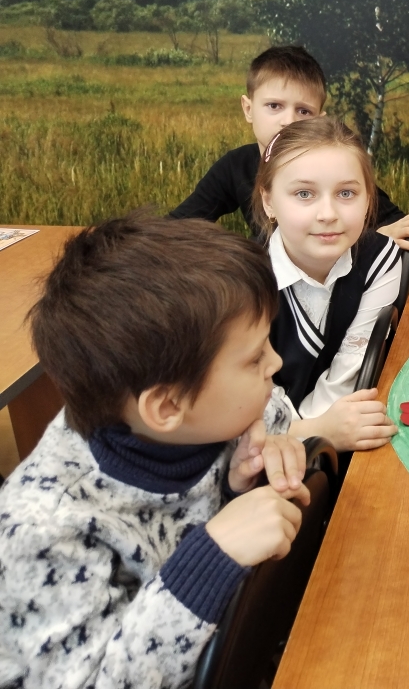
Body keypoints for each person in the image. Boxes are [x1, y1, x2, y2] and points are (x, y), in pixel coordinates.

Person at [0, 213, 309, 688]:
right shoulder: (43, 529)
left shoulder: (221, 412)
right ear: (167, 407)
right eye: (254, 359)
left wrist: (246, 480)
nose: (276, 361)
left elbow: (277, 417)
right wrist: (209, 559)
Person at [170, 45, 409, 252]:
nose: (288, 121)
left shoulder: (335, 167)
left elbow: (398, 224)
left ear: (319, 121)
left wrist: (375, 240)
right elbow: (177, 227)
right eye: (274, 106)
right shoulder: (235, 166)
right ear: (248, 109)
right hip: (270, 286)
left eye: (303, 111)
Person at [252, 117, 402, 454]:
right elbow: (248, 401)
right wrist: (316, 433)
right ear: (269, 201)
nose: (328, 213)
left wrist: (321, 440)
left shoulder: (379, 258)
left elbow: (349, 370)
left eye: (346, 193)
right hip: (262, 452)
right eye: (304, 193)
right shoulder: (242, 283)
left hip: (341, 439)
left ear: (368, 198)